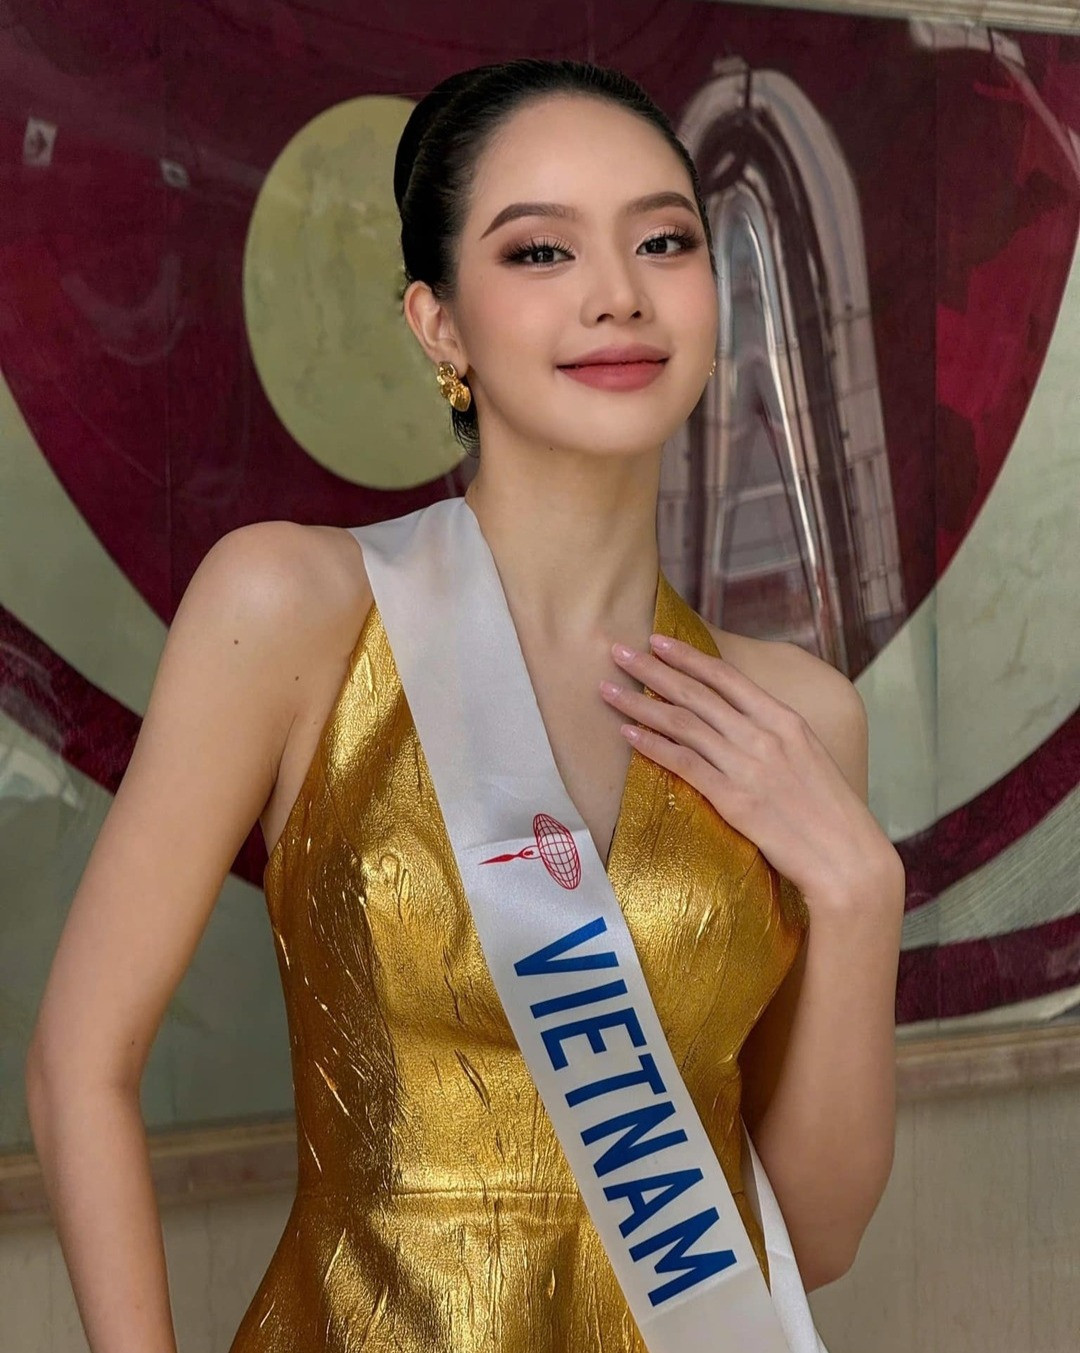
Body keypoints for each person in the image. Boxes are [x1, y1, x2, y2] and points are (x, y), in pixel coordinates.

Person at [25, 57, 906, 1353]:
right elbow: (79, 1063)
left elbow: (812, 1241)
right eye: (541, 250)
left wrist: (862, 894)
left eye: (664, 240)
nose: (619, 293)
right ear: (438, 325)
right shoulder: (295, 607)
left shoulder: (792, 718)